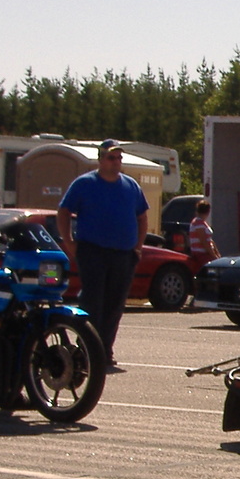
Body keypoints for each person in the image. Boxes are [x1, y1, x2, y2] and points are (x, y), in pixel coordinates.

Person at [55, 139, 149, 369]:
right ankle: (87, 348)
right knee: (93, 302)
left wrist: (138, 246)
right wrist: (68, 241)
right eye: (111, 158)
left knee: (115, 304)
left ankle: (105, 350)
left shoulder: (131, 186)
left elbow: (142, 217)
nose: (116, 162)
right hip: (93, 251)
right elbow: (64, 211)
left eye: (119, 158)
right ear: (100, 159)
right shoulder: (85, 184)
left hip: (123, 254)